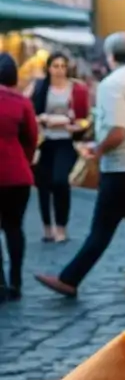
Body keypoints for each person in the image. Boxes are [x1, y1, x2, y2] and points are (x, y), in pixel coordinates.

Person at [36, 32, 125, 299]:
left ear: (110, 56)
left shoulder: (112, 84)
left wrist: (97, 150)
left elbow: (117, 131)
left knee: (102, 229)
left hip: (123, 165)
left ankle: (70, 278)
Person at [29, 52, 90, 243]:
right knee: (43, 184)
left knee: (60, 181)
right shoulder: (39, 87)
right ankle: (48, 227)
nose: (60, 70)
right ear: (48, 68)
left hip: (66, 140)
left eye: (63, 66)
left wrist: (73, 124)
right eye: (56, 66)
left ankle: (61, 227)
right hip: (43, 141)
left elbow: (84, 118)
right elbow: (29, 112)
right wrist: (44, 119)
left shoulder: (77, 88)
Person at [0, 53, 38, 302]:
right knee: (14, 228)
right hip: (17, 174)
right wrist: (22, 159)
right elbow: (31, 138)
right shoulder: (22, 102)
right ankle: (16, 280)